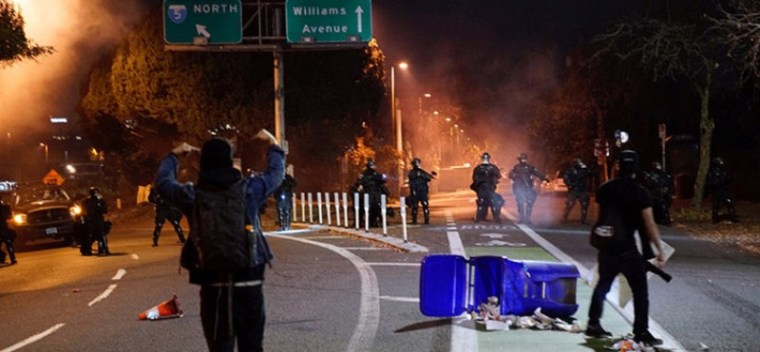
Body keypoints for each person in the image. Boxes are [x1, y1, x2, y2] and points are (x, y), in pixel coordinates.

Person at [155, 129, 283, 352]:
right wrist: (272, 144)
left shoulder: (192, 195)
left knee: (219, 348)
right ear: (229, 161)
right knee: (252, 347)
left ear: (203, 163)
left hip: (213, 287)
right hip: (249, 283)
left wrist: (173, 156)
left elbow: (163, 183)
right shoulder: (249, 190)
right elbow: (276, 173)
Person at [586, 149, 666, 347]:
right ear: (636, 169)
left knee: (602, 285)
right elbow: (649, 224)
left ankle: (593, 323)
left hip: (607, 248)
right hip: (628, 250)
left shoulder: (604, 189)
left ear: (618, 166)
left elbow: (597, 219)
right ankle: (641, 331)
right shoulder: (640, 192)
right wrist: (659, 249)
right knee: (640, 291)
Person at [508, 153, 549, 224]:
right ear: (519, 159)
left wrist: (544, 178)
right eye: (522, 159)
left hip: (528, 187)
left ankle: (528, 217)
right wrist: (514, 177)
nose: (523, 160)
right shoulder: (516, 167)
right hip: (519, 187)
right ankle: (521, 218)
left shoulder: (530, 167)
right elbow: (510, 175)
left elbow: (537, 173)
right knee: (520, 203)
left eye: (524, 159)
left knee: (530, 202)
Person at [353, 160, 390, 227]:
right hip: (369, 192)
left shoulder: (375, 174)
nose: (373, 167)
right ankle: (369, 222)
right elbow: (359, 183)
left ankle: (380, 221)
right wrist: (360, 185)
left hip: (376, 192)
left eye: (374, 165)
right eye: (372, 165)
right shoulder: (364, 174)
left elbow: (383, 180)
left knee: (379, 206)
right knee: (369, 207)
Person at [470, 152, 504, 223]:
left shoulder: (478, 168)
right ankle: (496, 218)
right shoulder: (493, 167)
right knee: (494, 201)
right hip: (490, 188)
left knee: (481, 202)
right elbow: (499, 176)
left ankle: (479, 218)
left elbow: (474, 178)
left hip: (481, 188)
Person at [705, 157, 739, 224]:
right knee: (716, 204)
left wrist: (729, 179)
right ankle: (715, 218)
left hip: (724, 189)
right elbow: (710, 182)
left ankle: (733, 217)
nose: (721, 163)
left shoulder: (724, 171)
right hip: (717, 190)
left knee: (730, 202)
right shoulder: (712, 172)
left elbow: (728, 178)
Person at [81, 187, 110, 256]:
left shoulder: (100, 201)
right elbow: (83, 212)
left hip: (99, 220)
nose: (95, 194)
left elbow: (105, 210)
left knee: (102, 235)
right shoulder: (86, 201)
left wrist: (100, 208)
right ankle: (88, 249)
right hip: (90, 221)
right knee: (89, 235)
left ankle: (104, 248)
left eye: (95, 192)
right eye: (94, 192)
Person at [407, 158, 436, 225]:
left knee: (425, 205)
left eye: (418, 163)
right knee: (415, 206)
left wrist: (430, 175)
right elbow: (411, 180)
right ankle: (414, 220)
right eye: (416, 163)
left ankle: (426, 219)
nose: (417, 164)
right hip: (416, 192)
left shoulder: (422, 172)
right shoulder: (411, 173)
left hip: (423, 191)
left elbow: (428, 178)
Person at [562, 158, 592, 224]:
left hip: (582, 189)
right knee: (570, 204)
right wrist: (571, 185)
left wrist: (585, 167)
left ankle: (583, 219)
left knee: (584, 204)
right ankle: (564, 218)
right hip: (574, 190)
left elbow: (590, 173)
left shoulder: (583, 170)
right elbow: (566, 179)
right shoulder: (570, 170)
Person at [274, 166, 297, 231]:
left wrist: (288, 182)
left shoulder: (288, 177)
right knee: (280, 211)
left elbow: (295, 184)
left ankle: (288, 225)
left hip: (287, 196)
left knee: (287, 212)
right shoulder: (277, 178)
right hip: (279, 197)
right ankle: (281, 226)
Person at [0, 193, 18, 265]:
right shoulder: (5, 208)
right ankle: (12, 258)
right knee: (8, 243)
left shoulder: (5, 208)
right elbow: (9, 217)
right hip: (5, 228)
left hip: (4, 228)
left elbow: (10, 218)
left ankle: (10, 258)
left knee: (8, 243)